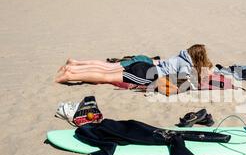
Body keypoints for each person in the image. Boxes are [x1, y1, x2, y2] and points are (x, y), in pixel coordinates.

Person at [55, 44, 213, 91]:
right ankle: (70, 76)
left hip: (144, 65)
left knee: (106, 70)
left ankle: (73, 69)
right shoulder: (186, 64)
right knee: (106, 77)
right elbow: (185, 81)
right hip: (146, 73)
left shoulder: (181, 56)